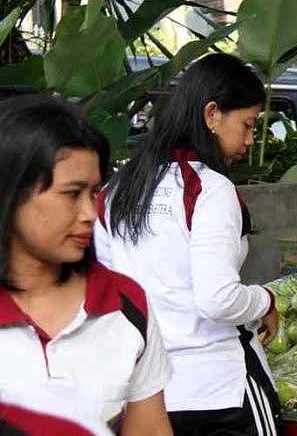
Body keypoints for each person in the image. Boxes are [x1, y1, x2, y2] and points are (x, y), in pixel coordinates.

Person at [94, 53, 281, 436]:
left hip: (147, 399)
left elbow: (104, 294)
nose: (250, 139)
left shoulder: (116, 192)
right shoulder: (210, 189)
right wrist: (266, 299)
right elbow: (218, 299)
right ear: (212, 114)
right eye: (247, 125)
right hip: (220, 394)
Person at [0, 95, 172, 435]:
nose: (90, 214)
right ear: (11, 193)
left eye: (93, 192)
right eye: (71, 193)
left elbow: (149, 429)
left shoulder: (126, 304)